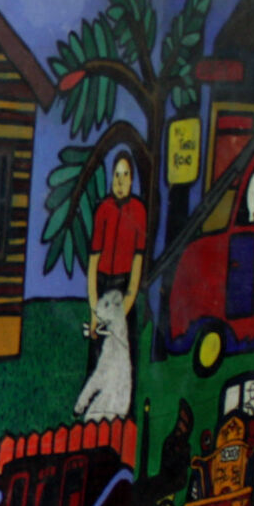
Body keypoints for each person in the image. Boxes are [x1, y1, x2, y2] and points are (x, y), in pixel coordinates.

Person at [85, 151, 147, 373]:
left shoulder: (139, 212)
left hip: (124, 292)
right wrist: (95, 311)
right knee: (97, 354)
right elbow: (93, 265)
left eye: (125, 174)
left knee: (123, 356)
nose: (120, 181)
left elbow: (137, 268)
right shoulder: (103, 209)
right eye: (116, 175)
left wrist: (122, 312)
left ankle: (124, 408)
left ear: (132, 179)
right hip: (103, 288)